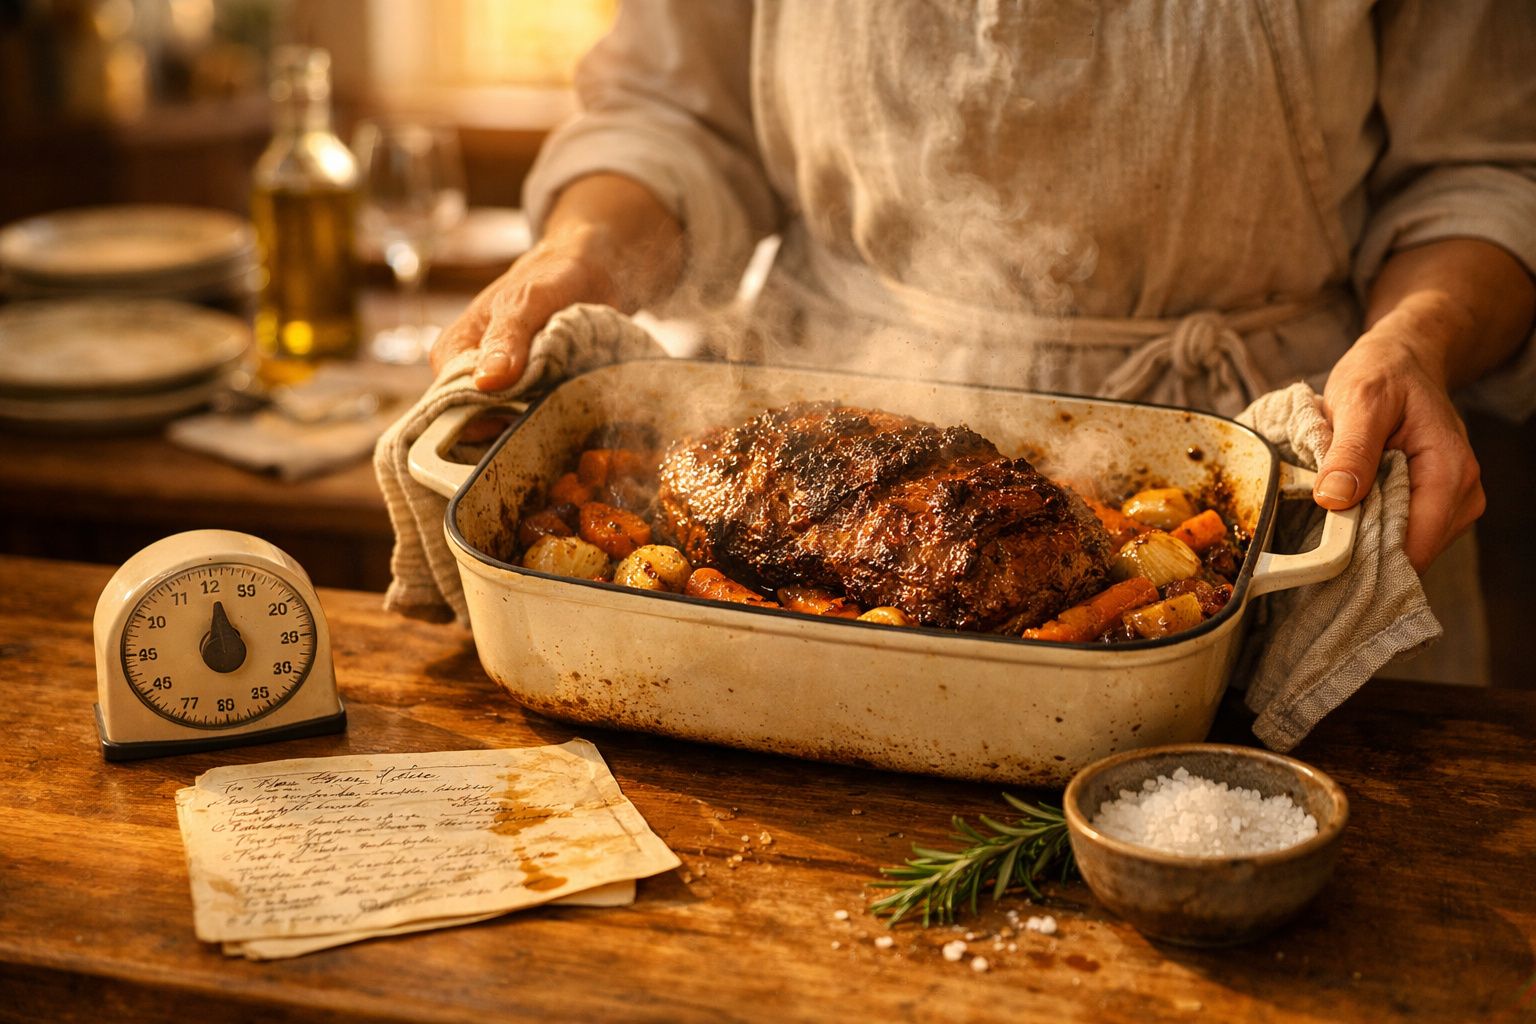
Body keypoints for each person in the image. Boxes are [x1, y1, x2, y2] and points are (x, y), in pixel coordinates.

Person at [432, 2, 1536, 682]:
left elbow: (1484, 173)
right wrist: (580, 252)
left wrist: (1418, 338)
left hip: (1292, 443)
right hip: (843, 377)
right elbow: (673, 117)